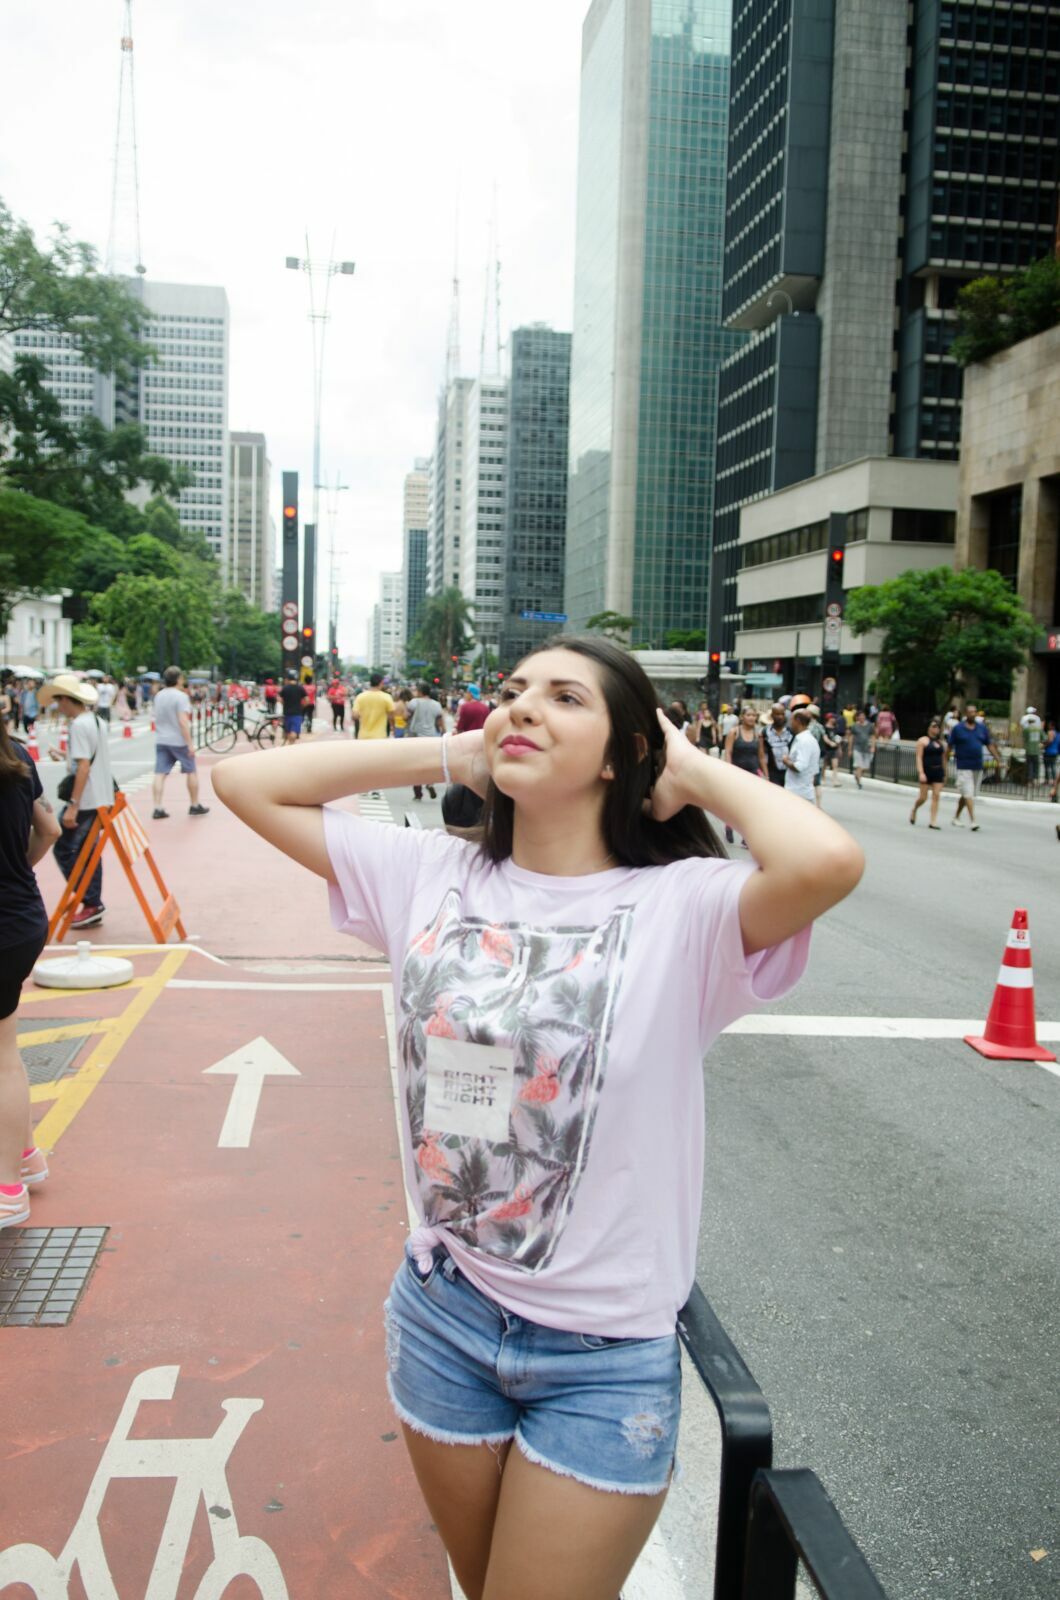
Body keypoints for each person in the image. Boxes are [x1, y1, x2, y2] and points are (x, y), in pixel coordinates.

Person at [211, 634, 862, 1600]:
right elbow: (244, 782)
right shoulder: (431, 873)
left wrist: (688, 768)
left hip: (600, 1358)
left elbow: (828, 858)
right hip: (446, 1314)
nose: (523, 706)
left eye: (565, 698)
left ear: (621, 754)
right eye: (512, 692)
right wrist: (452, 750)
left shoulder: (685, 906)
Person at [0, 710, 61, 1228]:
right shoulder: (18, 755)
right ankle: (25, 1159)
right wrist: (18, 870)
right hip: (22, 917)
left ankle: (7, 1190)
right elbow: (51, 827)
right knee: (5, 1052)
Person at [40, 675, 114, 929]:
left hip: (86, 800)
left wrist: (73, 804)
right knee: (89, 851)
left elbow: (84, 766)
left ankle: (89, 899)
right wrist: (64, 755)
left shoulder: (78, 726)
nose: (57, 707)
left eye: (57, 700)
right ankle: (91, 901)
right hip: (102, 796)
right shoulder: (95, 720)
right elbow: (87, 759)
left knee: (64, 847)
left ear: (65, 699)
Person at [151, 666, 209, 819]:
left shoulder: (159, 696)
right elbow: (183, 721)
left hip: (162, 739)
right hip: (178, 740)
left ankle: (157, 806)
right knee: (191, 771)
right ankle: (194, 804)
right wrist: (190, 744)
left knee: (160, 773)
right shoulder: (181, 696)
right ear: (178, 679)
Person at [948, 703, 1000, 831]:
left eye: (974, 712)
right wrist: (945, 764)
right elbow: (949, 746)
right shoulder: (958, 728)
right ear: (966, 714)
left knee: (968, 794)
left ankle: (956, 817)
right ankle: (973, 821)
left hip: (977, 765)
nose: (973, 714)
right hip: (963, 765)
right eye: (970, 712)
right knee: (968, 792)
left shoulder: (981, 728)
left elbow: (989, 744)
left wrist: (997, 758)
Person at [723, 704, 766, 847]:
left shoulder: (758, 734)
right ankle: (729, 824)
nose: (751, 718)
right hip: (737, 773)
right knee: (736, 805)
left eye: (754, 715)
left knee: (751, 807)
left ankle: (746, 837)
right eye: (748, 715)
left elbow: (761, 756)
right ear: (742, 717)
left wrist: (765, 775)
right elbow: (728, 752)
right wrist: (729, 770)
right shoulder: (734, 732)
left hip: (753, 773)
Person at [408, 681, 445, 800]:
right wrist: (444, 732)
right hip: (431, 737)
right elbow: (439, 722)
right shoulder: (436, 705)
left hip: (417, 737)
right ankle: (430, 783)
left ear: (420, 692)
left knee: (416, 764)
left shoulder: (414, 702)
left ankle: (418, 792)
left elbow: (405, 715)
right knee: (429, 763)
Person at [910, 718, 946, 828]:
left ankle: (933, 821)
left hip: (938, 770)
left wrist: (945, 773)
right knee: (923, 797)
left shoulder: (941, 743)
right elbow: (919, 757)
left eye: (938, 727)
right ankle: (914, 809)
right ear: (929, 728)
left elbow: (944, 759)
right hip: (927, 770)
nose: (936, 729)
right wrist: (921, 772)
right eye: (934, 726)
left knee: (936, 795)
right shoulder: (922, 741)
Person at [783, 709, 820, 800]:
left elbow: (799, 766)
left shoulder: (804, 741)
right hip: (802, 791)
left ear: (798, 721)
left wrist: (786, 761)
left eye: (792, 720)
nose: (790, 723)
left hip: (798, 793)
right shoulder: (806, 739)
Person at [353, 673, 395, 742]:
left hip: (363, 736)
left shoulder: (360, 697)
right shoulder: (386, 697)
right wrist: (393, 728)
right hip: (380, 737)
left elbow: (355, 716)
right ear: (381, 683)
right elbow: (391, 716)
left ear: (370, 683)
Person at [763, 703, 793, 787]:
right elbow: (762, 755)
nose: (780, 717)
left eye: (782, 714)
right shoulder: (765, 732)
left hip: (789, 773)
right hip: (772, 772)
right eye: (777, 714)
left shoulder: (791, 732)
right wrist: (766, 774)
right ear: (772, 715)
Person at [849, 710, 875, 789]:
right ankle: (859, 782)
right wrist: (850, 749)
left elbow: (873, 736)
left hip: (866, 748)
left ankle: (857, 775)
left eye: (863, 716)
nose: (861, 717)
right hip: (857, 747)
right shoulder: (854, 726)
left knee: (865, 767)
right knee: (859, 765)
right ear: (857, 717)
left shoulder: (870, 725)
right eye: (860, 716)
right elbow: (851, 737)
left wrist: (873, 746)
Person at [281, 672, 309, 745]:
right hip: (297, 712)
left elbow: (279, 698)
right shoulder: (300, 688)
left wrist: (284, 703)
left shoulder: (285, 688)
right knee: (294, 731)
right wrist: (302, 706)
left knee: (288, 731)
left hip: (286, 712)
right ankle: (291, 745)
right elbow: (307, 700)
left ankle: (290, 744)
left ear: (288, 679)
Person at [1020, 706, 1043, 783]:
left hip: (1029, 749)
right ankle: (1035, 780)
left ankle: (1029, 780)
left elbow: (1024, 736)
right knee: (1036, 765)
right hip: (1036, 749)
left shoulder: (1025, 725)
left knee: (1029, 765)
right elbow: (1043, 737)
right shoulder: (1038, 720)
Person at [821, 712, 845, 786]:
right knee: (824, 765)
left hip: (834, 749)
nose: (834, 719)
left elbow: (837, 738)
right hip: (826, 749)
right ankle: (823, 778)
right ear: (829, 718)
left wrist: (839, 748)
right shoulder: (824, 727)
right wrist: (830, 743)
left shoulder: (835, 728)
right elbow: (825, 738)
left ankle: (835, 780)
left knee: (835, 765)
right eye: (833, 718)